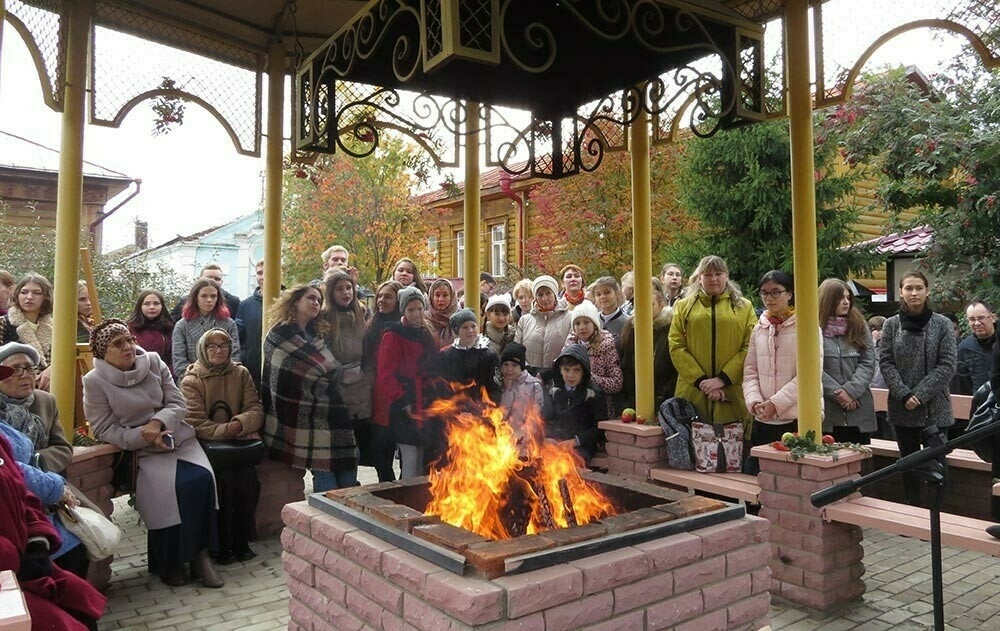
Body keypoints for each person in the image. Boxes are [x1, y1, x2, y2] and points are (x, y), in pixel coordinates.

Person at [82, 319, 223, 588]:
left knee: (201, 480)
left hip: (178, 439)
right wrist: (142, 436)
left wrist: (157, 424)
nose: (128, 346)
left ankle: (201, 557)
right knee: (168, 492)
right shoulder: (94, 381)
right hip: (141, 452)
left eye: (129, 340)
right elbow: (103, 428)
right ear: (103, 352)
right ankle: (168, 563)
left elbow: (177, 402)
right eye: (118, 343)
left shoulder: (154, 361)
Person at [0, 428, 106, 631]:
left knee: (81, 605)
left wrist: (37, 542)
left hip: (27, 568)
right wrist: (16, 560)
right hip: (9, 589)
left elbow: (22, 493)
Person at [0, 342, 90, 578]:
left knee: (79, 540)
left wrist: (39, 462)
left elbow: (62, 447)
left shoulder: (44, 401)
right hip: (13, 494)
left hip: (48, 484)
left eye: (29, 368)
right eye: (15, 369)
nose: (25, 375)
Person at [261, 284, 358, 492]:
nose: (316, 303)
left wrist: (325, 375)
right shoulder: (279, 334)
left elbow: (327, 368)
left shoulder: (317, 333)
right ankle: (330, 520)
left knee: (348, 464)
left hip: (332, 409)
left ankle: (352, 515)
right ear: (296, 301)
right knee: (324, 470)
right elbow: (287, 376)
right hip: (301, 413)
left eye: (318, 300)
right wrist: (324, 375)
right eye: (311, 298)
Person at [180, 328, 263, 566]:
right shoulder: (192, 380)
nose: (218, 350)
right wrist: (227, 430)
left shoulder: (240, 373)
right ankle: (221, 546)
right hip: (209, 448)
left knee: (247, 481)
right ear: (203, 350)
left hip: (238, 445)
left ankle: (242, 541)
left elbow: (255, 408)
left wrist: (239, 423)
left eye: (224, 345)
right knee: (224, 483)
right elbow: (194, 422)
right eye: (212, 346)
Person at [879, 271, 957, 506]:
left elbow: (947, 364)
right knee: (909, 464)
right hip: (902, 409)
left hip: (935, 408)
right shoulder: (891, 325)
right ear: (901, 291)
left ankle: (937, 512)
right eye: (909, 288)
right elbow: (885, 361)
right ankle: (913, 511)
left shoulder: (942, 324)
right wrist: (904, 394)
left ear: (927, 291)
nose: (914, 293)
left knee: (937, 463)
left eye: (919, 288)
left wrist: (920, 395)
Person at [669, 255, 756, 425]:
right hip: (692, 392)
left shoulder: (744, 307)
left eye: (718, 273)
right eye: (707, 274)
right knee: (692, 446)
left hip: (731, 393)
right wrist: (702, 382)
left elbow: (750, 346)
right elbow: (676, 346)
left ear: (727, 276)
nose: (713, 279)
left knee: (733, 448)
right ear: (699, 278)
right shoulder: (683, 306)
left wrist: (722, 379)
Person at [372, 286, 440, 478]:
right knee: (409, 459)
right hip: (405, 404)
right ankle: (407, 501)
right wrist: (403, 400)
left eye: (420, 308)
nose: (417, 314)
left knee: (422, 459)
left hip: (426, 402)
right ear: (403, 311)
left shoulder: (427, 332)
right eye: (411, 309)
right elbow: (385, 374)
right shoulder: (393, 335)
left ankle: (418, 500)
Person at [743, 271, 803, 472]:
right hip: (763, 417)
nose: (769, 298)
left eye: (776, 292)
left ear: (789, 294)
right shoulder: (759, 328)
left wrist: (776, 404)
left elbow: (809, 375)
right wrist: (755, 401)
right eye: (764, 293)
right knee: (756, 474)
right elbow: (750, 370)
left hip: (795, 417)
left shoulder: (806, 327)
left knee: (790, 476)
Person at [322, 271, 374, 475]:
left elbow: (368, 354)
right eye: (340, 288)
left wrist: (367, 379)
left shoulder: (361, 315)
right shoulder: (324, 319)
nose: (346, 293)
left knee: (355, 449)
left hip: (360, 387)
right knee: (337, 450)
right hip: (335, 389)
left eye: (349, 288)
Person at [817, 279, 877, 445]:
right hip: (828, 413)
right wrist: (838, 393)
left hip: (858, 409)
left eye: (848, 297)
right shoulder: (813, 328)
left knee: (860, 463)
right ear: (828, 299)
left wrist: (851, 391)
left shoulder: (859, 325)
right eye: (840, 298)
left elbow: (868, 361)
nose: (846, 302)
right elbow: (812, 366)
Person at [362, 280, 404, 482]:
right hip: (378, 395)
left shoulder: (404, 326)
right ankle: (387, 488)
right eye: (379, 296)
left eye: (388, 297)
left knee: (405, 454)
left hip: (399, 395)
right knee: (380, 453)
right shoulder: (372, 325)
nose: (381, 300)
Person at [541, 344, 608, 464]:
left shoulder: (593, 393)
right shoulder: (553, 390)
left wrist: (575, 441)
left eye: (576, 370)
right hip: (556, 442)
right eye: (566, 370)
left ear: (584, 372)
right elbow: (544, 418)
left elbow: (599, 428)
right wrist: (547, 437)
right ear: (560, 370)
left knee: (566, 464)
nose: (570, 375)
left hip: (581, 446)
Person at [618, 283, 677, 414]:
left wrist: (665, 393)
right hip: (636, 397)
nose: (644, 310)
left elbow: (675, 366)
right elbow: (626, 364)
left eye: (650, 305)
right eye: (639, 306)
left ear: (661, 305)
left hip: (665, 396)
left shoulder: (671, 328)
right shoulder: (631, 328)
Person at [172, 278, 240, 378]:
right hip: (192, 382)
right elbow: (179, 361)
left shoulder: (228, 323)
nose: (209, 300)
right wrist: (195, 377)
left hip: (223, 381)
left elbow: (235, 357)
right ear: (195, 298)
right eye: (204, 296)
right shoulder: (182, 325)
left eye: (213, 296)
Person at [564, 300, 622, 417]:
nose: (582, 327)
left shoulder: (606, 346)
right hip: (575, 407)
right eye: (577, 323)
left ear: (595, 324)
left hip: (598, 407)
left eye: (586, 322)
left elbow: (616, 383)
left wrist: (590, 378)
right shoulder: (570, 345)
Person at [435, 308, 502, 405]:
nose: (470, 331)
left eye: (473, 326)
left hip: (482, 410)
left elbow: (495, 388)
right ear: (457, 331)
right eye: (465, 327)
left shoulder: (489, 356)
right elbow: (441, 387)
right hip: (454, 410)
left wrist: (485, 409)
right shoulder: (445, 355)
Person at [2, 274, 54, 390]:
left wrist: (53, 369)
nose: (29, 297)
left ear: (46, 297)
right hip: (11, 391)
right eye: (24, 292)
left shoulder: (54, 328)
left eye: (37, 293)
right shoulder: (4, 323)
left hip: (47, 390)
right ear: (17, 295)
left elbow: (63, 358)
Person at [515, 275, 572, 377]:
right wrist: (530, 370)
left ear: (555, 294)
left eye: (548, 293)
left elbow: (571, 348)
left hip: (560, 377)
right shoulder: (524, 320)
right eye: (540, 295)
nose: (544, 298)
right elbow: (517, 350)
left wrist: (555, 369)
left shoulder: (570, 318)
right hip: (530, 378)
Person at [498, 342, 543, 441]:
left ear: (521, 367)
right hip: (502, 441)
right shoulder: (498, 384)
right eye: (506, 364)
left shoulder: (534, 386)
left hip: (525, 442)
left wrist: (520, 434)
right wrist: (507, 390)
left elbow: (534, 418)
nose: (509, 369)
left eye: (514, 365)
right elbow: (500, 415)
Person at [126, 289, 175, 376]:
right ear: (140, 306)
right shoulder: (129, 329)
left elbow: (173, 356)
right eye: (147, 304)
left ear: (162, 306)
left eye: (156, 303)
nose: (152, 307)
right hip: (137, 375)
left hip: (164, 375)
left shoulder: (169, 328)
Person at [170, 264, 240, 322]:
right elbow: (171, 323)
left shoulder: (233, 302)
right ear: (199, 280)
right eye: (209, 278)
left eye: (217, 279)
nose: (213, 281)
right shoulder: (186, 301)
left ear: (221, 282)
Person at [956, 300, 996, 396]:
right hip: (980, 406)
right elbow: (964, 384)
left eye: (981, 318)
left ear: (993, 318)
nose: (977, 323)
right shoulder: (964, 348)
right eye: (972, 319)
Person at [236, 260, 265, 389]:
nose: (263, 276)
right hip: (253, 369)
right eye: (260, 273)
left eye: (268, 272)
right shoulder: (246, 305)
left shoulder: (290, 301)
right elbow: (238, 336)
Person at [591, 276, 628, 342]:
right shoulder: (592, 320)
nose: (602, 297)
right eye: (598, 294)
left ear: (618, 294)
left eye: (607, 292)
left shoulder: (627, 322)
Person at [427, 278, 458, 348]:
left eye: (445, 295)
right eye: (437, 295)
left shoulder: (460, 319)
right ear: (431, 297)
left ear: (452, 297)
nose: (440, 299)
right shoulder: (424, 320)